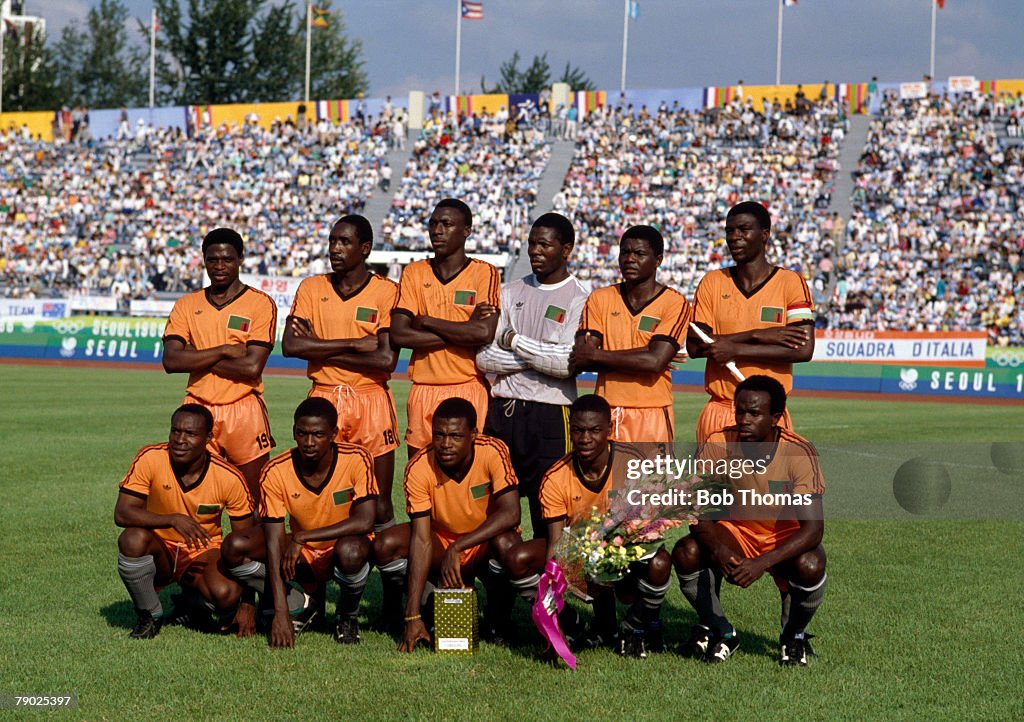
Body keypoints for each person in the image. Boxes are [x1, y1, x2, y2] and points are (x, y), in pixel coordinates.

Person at [671, 375, 827, 666]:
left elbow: (814, 530)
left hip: (783, 537)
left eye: (754, 413)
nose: (744, 419)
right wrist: (720, 550)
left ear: (776, 418)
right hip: (738, 532)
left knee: (811, 564)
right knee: (686, 551)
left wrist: (762, 563)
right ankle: (722, 631)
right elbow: (699, 513)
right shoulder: (718, 442)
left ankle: (793, 636)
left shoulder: (798, 452)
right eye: (739, 411)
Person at [502, 395, 669, 657]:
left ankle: (636, 626)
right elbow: (557, 544)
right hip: (579, 548)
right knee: (518, 558)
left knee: (660, 563)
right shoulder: (555, 477)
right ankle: (571, 623)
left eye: (594, 430)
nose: (585, 438)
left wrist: (612, 560)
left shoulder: (633, 463)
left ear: (609, 430)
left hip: (624, 548)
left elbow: (649, 525)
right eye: (578, 430)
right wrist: (557, 589)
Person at [222, 398, 378, 648]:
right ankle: (302, 604)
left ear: (334, 434)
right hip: (301, 557)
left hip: (341, 548)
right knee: (234, 547)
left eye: (318, 434)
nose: (309, 442)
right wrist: (281, 613)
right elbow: (273, 541)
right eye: (302, 433)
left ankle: (346, 616)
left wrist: (303, 536)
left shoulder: (357, 458)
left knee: (352, 551)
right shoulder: (275, 470)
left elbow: (366, 520)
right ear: (294, 431)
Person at [372, 398, 521, 650]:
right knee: (386, 544)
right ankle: (410, 611)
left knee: (508, 544)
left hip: (483, 543)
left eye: (455, 436)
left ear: (474, 434)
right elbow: (421, 539)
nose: (445, 444)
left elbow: (511, 513)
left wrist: (459, 546)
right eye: (439, 435)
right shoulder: (419, 466)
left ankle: (498, 619)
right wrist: (412, 616)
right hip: (441, 543)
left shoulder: (493, 450)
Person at [282, 214, 399, 532]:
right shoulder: (311, 287)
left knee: (380, 503)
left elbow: (386, 359)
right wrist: (354, 344)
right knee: (318, 499)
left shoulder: (387, 292)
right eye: (332, 241)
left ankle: (392, 576)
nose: (335, 248)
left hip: (371, 401)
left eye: (344, 242)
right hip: (324, 399)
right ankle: (314, 572)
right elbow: (291, 346)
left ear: (365, 248)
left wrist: (317, 346)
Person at [475, 212, 588, 537]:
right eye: (531, 244)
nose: (534, 251)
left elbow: (566, 364)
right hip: (503, 412)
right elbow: (485, 358)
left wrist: (513, 340)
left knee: (548, 513)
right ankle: (507, 585)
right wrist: (540, 355)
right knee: (495, 512)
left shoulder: (581, 298)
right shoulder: (508, 291)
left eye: (544, 244)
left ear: (566, 249)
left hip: (552, 415)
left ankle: (551, 586)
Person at [115, 404, 255, 639]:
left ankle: (192, 603)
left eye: (190, 434)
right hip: (160, 550)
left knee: (226, 594)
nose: (180, 440)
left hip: (202, 552)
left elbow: (248, 543)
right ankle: (150, 614)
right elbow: (122, 513)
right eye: (175, 431)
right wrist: (171, 519)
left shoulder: (229, 477)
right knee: (132, 539)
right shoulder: (151, 457)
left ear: (209, 438)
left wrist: (248, 604)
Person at [161, 227, 277, 500]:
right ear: (204, 260)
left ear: (240, 260)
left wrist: (195, 356)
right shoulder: (187, 304)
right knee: (188, 495)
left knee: (256, 499)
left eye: (227, 259)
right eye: (213, 260)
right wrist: (225, 350)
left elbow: (251, 367)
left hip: (244, 408)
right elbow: (171, 360)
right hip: (196, 407)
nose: (219, 266)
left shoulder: (260, 304)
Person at [688, 201, 815, 443]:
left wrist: (736, 348)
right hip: (721, 410)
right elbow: (695, 345)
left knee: (771, 482)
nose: (734, 237)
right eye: (729, 231)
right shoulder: (712, 282)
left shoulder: (791, 282)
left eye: (744, 230)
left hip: (768, 416)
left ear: (765, 234)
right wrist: (756, 334)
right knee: (712, 482)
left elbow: (803, 348)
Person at [390, 198, 500, 461]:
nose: (437, 230)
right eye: (433, 224)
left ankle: (621, 505)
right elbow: (400, 334)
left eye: (447, 224)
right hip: (424, 390)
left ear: (466, 230)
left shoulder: (484, 273)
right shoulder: (414, 273)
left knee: (471, 479)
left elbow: (483, 333)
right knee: (420, 476)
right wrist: (463, 330)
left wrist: (426, 320)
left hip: (468, 387)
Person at [571, 225, 690, 445]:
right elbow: (582, 357)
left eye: (639, 254)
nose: (630, 259)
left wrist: (599, 356)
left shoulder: (675, 302)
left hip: (652, 413)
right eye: (624, 252)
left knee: (650, 480)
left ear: (658, 260)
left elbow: (654, 362)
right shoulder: (600, 298)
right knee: (606, 479)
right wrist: (647, 353)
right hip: (606, 412)